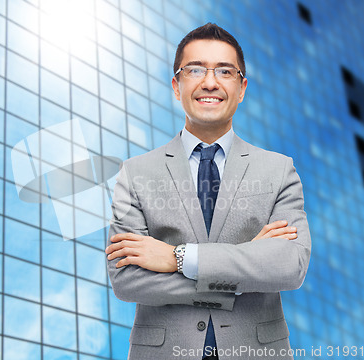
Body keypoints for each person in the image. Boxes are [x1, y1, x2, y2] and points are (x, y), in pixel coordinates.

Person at [105, 23, 311, 360]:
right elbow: (126, 279)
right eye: (195, 69)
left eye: (225, 71)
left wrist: (177, 259)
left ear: (242, 88)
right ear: (177, 85)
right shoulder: (136, 172)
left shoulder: (279, 170)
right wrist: (244, 268)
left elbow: (290, 266)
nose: (210, 82)